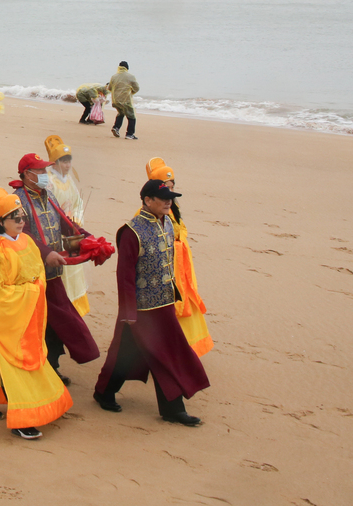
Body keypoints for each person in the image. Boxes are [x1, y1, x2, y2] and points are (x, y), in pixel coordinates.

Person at [93, 181, 209, 426]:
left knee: (125, 352)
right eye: (162, 198)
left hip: (164, 303)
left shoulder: (167, 222)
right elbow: (124, 274)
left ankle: (104, 392)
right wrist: (128, 311)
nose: (168, 202)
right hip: (141, 309)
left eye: (170, 198)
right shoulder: (131, 231)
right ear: (147, 200)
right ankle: (172, 409)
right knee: (163, 354)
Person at [0, 188, 73, 440]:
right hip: (3, 315)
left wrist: (34, 286)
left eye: (22, 217)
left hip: (27, 314)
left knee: (2, 366)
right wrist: (31, 290)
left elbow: (38, 272)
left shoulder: (27, 242)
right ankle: (22, 418)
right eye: (15, 218)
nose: (21, 222)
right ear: (1, 221)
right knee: (13, 368)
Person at [11, 152, 100, 383]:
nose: (44, 175)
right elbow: (23, 234)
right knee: (37, 322)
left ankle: (51, 365)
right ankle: (33, 368)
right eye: (39, 171)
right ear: (26, 174)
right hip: (29, 276)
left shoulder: (48, 195)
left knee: (56, 321)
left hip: (52, 273)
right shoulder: (17, 200)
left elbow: (64, 223)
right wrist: (46, 253)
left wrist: (89, 239)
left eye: (44, 171)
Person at [146, 158, 212, 356]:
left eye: (172, 187)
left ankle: (187, 349)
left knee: (186, 302)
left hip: (181, 266)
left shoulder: (173, 208)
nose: (169, 193)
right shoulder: (151, 212)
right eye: (165, 187)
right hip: (166, 269)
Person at [43, 136, 92, 315]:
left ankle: (74, 308)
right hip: (58, 232)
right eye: (63, 161)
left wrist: (76, 221)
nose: (67, 165)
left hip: (71, 231)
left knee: (74, 271)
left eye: (69, 161)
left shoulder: (68, 180)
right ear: (54, 163)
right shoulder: (48, 181)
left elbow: (77, 203)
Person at [107, 61, 140, 139]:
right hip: (125, 100)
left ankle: (116, 127)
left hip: (115, 100)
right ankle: (129, 134)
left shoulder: (114, 76)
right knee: (131, 116)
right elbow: (136, 88)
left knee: (121, 113)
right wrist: (131, 92)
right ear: (127, 68)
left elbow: (109, 88)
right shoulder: (130, 76)